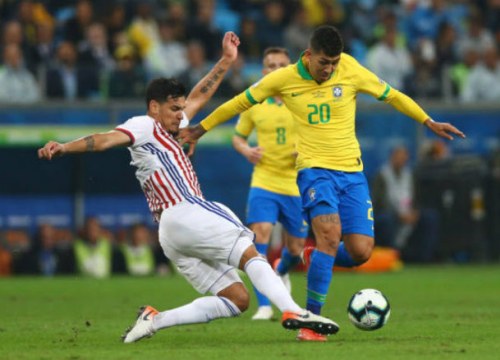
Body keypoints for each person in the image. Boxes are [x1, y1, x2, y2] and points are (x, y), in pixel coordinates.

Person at [38, 32, 337, 343]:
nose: (181, 115)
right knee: (249, 253)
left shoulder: (175, 125)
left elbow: (199, 95)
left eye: (181, 109)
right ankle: (293, 310)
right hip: (185, 210)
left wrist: (225, 61)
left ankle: (155, 320)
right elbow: (102, 140)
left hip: (172, 234)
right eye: (174, 109)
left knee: (237, 299)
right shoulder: (143, 125)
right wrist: (64, 147)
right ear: (154, 107)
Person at [179, 25, 465, 341]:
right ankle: (310, 322)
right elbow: (238, 103)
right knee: (329, 234)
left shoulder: (350, 69)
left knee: (360, 251)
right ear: (308, 55)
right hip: (315, 171)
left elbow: (393, 96)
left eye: (334, 62)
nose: (329, 69)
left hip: (353, 174)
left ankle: (314, 258)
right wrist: (199, 129)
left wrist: (428, 121)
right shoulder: (284, 79)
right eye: (323, 62)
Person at [232, 47, 307, 321]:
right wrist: (246, 150)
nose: (276, 69)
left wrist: (306, 150)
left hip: (296, 183)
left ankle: (281, 270)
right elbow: (238, 137)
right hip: (264, 179)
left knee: (296, 249)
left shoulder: (302, 98)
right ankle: (264, 305)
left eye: (282, 65)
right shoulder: (255, 102)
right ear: (264, 71)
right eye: (271, 65)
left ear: (290, 69)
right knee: (260, 233)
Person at [371, 146, 439, 262]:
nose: (401, 160)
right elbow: (378, 202)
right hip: (390, 213)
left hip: (408, 212)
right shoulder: (382, 175)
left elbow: (416, 198)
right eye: (398, 157)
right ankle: (392, 257)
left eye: (404, 158)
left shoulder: (409, 175)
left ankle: (424, 258)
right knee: (386, 220)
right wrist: (398, 215)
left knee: (430, 217)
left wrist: (415, 212)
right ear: (392, 157)